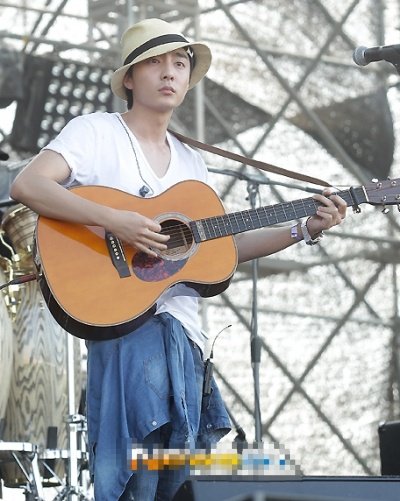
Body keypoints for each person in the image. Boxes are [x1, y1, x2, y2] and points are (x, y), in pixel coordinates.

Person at [10, 17, 347, 501]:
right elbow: (28, 184)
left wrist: (303, 229)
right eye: (155, 62)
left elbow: (222, 249)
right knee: (135, 479)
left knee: (179, 482)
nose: (170, 72)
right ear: (129, 78)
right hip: (126, 329)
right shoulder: (95, 132)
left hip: (186, 339)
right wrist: (115, 221)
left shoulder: (193, 163)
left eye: (181, 63)